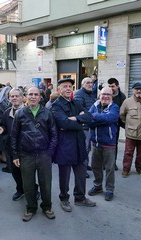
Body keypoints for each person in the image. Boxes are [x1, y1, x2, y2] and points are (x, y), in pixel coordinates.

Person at [11, 87, 58, 222]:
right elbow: (14, 136)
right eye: (30, 94)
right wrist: (15, 155)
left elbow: (54, 135)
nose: (32, 96)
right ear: (26, 96)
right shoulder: (20, 113)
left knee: (46, 184)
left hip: (44, 155)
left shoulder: (47, 113)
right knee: (28, 185)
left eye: (35, 94)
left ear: (40, 97)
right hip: (26, 155)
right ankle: (31, 208)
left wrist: (49, 153)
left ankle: (47, 207)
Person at [51, 78, 96, 213]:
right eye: (65, 86)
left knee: (81, 173)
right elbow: (64, 124)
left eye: (70, 86)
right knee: (64, 176)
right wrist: (80, 122)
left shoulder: (76, 102)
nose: (68, 88)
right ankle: (64, 199)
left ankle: (80, 198)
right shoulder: (56, 105)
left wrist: (76, 118)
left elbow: (89, 116)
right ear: (59, 90)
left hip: (79, 144)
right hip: (65, 145)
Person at [88, 87, 119, 201]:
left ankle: (109, 189)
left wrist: (95, 117)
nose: (105, 96)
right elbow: (88, 121)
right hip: (95, 143)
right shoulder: (94, 106)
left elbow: (111, 118)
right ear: (99, 95)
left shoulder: (114, 107)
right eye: (103, 94)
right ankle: (97, 186)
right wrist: (102, 120)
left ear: (112, 97)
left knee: (109, 168)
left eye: (108, 95)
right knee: (96, 166)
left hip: (109, 144)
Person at [0, 88, 25, 200]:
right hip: (11, 148)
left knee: (27, 173)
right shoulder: (7, 112)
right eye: (12, 96)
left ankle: (32, 190)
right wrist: (2, 129)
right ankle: (20, 190)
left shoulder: (28, 111)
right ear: (9, 98)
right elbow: (4, 125)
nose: (14, 98)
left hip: (25, 149)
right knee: (15, 172)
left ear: (22, 98)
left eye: (17, 96)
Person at [120, 82, 141, 177]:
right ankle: (126, 169)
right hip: (131, 132)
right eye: (136, 89)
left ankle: (140, 169)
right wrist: (129, 124)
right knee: (128, 152)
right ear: (133, 90)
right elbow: (122, 115)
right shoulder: (127, 102)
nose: (139, 91)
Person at [74, 77, 96, 177]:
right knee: (84, 148)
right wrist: (91, 116)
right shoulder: (79, 94)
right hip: (83, 127)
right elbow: (80, 110)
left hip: (90, 125)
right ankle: (81, 169)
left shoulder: (91, 94)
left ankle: (85, 164)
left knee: (88, 148)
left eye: (91, 82)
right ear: (82, 84)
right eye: (87, 83)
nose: (90, 84)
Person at [107, 78, 126, 170]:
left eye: (113, 86)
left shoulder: (122, 97)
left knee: (114, 144)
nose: (111, 88)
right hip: (105, 123)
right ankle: (105, 163)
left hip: (115, 124)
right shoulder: (106, 94)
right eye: (109, 86)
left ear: (117, 86)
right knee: (104, 143)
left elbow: (124, 112)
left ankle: (113, 163)